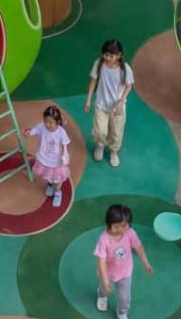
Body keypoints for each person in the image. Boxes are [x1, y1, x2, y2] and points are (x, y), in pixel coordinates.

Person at [95, 203, 153, 319]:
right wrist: (105, 280)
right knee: (104, 288)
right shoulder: (103, 239)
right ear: (109, 224)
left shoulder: (130, 233)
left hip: (125, 273)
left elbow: (138, 247)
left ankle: (122, 313)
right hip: (107, 273)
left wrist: (146, 263)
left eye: (124, 225)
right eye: (116, 226)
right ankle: (102, 295)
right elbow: (101, 261)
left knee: (125, 297)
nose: (121, 229)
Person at [84, 39, 134, 167]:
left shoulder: (124, 69)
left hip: (117, 107)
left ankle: (113, 151)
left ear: (119, 55)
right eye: (105, 54)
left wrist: (121, 101)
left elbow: (129, 85)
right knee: (100, 131)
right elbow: (93, 81)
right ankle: (100, 146)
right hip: (101, 105)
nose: (107, 58)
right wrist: (88, 99)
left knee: (116, 132)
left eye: (111, 56)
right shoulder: (99, 64)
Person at [26, 105, 72, 208]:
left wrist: (64, 154)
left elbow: (65, 144)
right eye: (46, 121)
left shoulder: (61, 132)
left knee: (57, 179)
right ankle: (50, 185)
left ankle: (58, 192)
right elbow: (36, 130)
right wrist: (30, 132)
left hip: (56, 161)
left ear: (57, 121)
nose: (47, 124)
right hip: (45, 157)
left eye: (50, 122)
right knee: (47, 175)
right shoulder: (42, 127)